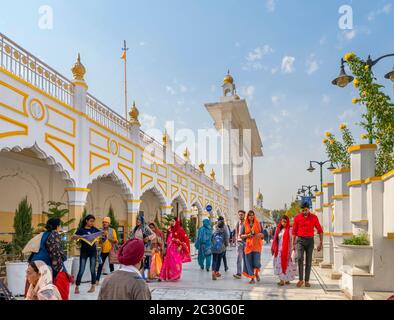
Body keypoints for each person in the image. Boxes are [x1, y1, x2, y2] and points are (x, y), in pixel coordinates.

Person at [292, 202, 323, 288]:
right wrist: (293, 244)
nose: (304, 212)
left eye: (306, 210)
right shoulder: (297, 218)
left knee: (309, 261)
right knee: (300, 258)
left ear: (308, 209)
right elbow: (294, 232)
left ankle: (307, 280)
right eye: (303, 210)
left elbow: (319, 230)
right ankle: (301, 279)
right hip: (300, 241)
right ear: (300, 210)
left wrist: (321, 242)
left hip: (310, 241)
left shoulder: (314, 217)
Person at [72, 214, 102, 294]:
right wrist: (79, 236)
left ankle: (93, 286)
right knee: (81, 269)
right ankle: (77, 286)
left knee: (92, 269)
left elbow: (101, 235)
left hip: (93, 251)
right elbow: (73, 237)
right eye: (91, 221)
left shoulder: (94, 229)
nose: (92, 223)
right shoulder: (81, 230)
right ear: (86, 221)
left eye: (93, 221)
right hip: (84, 252)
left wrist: (103, 234)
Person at [160, 217, 191, 281]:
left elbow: (185, 240)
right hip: (169, 249)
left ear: (176, 222)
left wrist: (180, 246)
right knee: (168, 262)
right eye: (171, 221)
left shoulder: (180, 230)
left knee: (176, 262)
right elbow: (167, 239)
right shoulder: (169, 230)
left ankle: (176, 275)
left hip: (176, 249)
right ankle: (169, 275)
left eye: (173, 221)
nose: (172, 223)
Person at [129, 213, 156, 280]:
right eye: (136, 220)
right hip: (136, 248)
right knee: (137, 262)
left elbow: (154, 234)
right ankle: (139, 276)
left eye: (139, 220)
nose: (137, 221)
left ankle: (142, 277)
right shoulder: (135, 229)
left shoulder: (145, 228)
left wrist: (148, 238)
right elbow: (130, 237)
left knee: (142, 262)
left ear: (142, 221)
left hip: (144, 248)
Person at [271, 215, 297, 286]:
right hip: (280, 251)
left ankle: (287, 279)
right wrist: (273, 248)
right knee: (280, 264)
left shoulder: (290, 230)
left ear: (287, 222)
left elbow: (294, 239)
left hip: (288, 251)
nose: (284, 223)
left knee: (288, 265)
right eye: (282, 221)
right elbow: (275, 240)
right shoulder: (279, 229)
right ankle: (282, 280)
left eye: (285, 222)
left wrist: (293, 248)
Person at [241, 210, 264, 284]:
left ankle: (256, 273)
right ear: (247, 216)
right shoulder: (244, 224)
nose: (251, 216)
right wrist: (248, 235)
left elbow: (263, 234)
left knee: (256, 262)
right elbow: (241, 235)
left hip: (257, 246)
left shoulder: (258, 223)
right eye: (250, 215)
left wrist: (260, 235)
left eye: (252, 215)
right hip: (248, 247)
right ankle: (252, 277)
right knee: (249, 262)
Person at [96, 216, 118, 285]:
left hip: (110, 250)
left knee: (111, 265)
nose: (104, 223)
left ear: (109, 223)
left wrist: (107, 236)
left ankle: (113, 280)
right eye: (103, 222)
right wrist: (101, 239)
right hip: (103, 251)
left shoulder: (112, 230)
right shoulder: (100, 230)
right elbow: (98, 242)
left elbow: (116, 241)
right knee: (100, 265)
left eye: (106, 222)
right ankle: (97, 280)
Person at [233, 210, 246, 279]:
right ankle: (239, 273)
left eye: (241, 214)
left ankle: (249, 273)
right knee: (239, 259)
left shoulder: (246, 223)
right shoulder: (238, 223)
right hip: (239, 243)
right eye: (239, 214)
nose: (240, 216)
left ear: (244, 215)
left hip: (245, 243)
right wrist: (235, 240)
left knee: (247, 259)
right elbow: (236, 232)